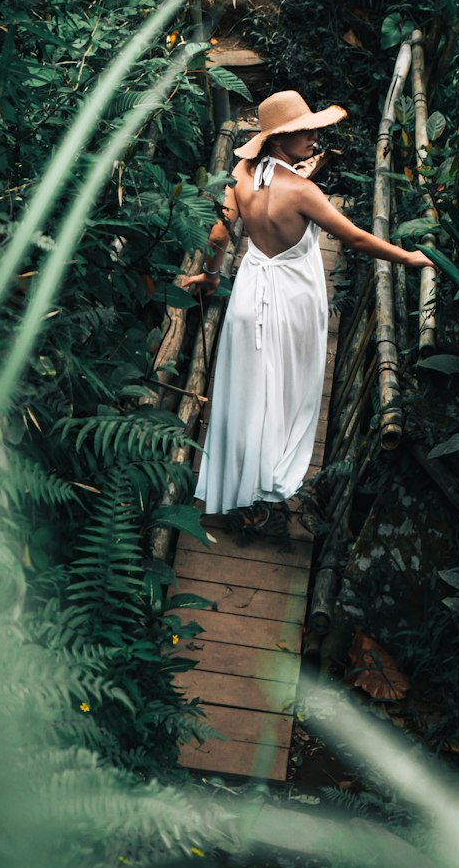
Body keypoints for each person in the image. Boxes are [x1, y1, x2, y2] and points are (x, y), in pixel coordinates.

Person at [182, 90, 433, 538]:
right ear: (279, 140)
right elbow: (354, 239)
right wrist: (409, 258)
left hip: (250, 295)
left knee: (246, 394)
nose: (314, 136)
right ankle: (265, 488)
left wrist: (212, 278)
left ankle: (237, 495)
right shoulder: (303, 191)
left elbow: (220, 231)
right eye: (303, 131)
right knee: (286, 393)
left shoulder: (242, 173)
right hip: (293, 303)